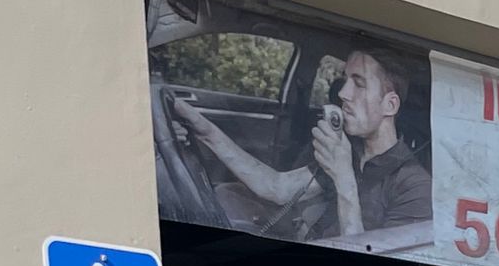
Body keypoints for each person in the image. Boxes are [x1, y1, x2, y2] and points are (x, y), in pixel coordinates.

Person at [174, 46, 431, 239]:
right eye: (345, 80)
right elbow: (277, 188)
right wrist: (206, 132)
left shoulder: (415, 187)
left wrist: (344, 179)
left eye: (359, 84)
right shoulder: (349, 152)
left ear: (390, 105)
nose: (343, 93)